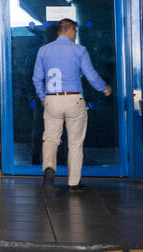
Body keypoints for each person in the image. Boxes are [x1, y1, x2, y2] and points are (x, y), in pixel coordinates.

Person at [32, 18, 111, 191]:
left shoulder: (43, 50)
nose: (75, 35)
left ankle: (49, 170)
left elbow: (37, 78)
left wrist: (42, 97)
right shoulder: (79, 50)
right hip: (73, 99)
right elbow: (90, 75)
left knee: (51, 139)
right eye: (75, 32)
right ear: (71, 31)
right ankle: (74, 183)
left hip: (52, 99)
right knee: (75, 143)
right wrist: (104, 87)